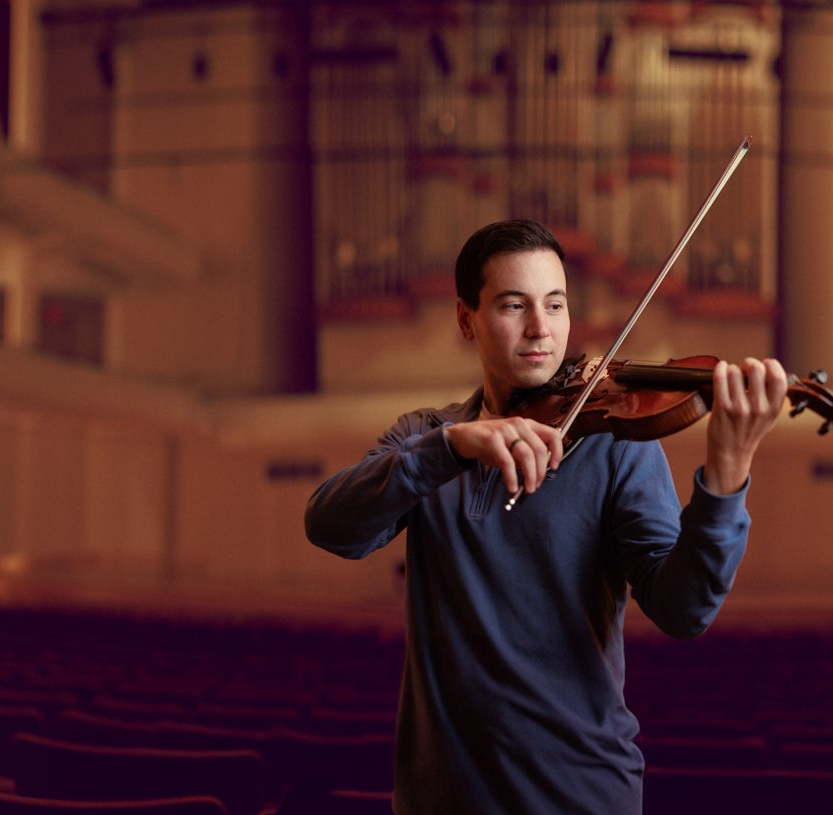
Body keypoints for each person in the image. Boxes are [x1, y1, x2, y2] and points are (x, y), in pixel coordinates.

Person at [304, 218, 788, 814]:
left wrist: (728, 473)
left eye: (555, 305)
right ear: (466, 320)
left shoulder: (618, 446)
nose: (542, 329)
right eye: (514, 305)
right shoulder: (426, 437)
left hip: (580, 795)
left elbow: (684, 610)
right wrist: (453, 447)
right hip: (441, 800)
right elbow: (329, 526)